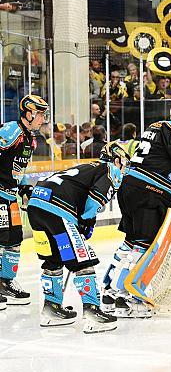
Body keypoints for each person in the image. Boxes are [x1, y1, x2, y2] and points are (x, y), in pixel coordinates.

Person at [102, 100, 171, 317]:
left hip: (130, 186)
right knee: (145, 245)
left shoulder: (154, 127)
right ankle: (127, 296)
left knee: (130, 242)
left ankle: (109, 291)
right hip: (150, 191)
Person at [27, 142, 129, 332]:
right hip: (58, 208)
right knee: (83, 259)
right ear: (116, 159)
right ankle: (92, 313)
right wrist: (86, 222)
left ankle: (51, 309)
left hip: (36, 205)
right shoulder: (110, 169)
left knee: (54, 258)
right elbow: (96, 198)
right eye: (122, 163)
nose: (123, 168)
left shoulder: (86, 167)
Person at [0, 95, 49, 307]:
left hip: (11, 195)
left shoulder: (31, 139)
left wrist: (25, 186)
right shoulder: (12, 131)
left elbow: (16, 169)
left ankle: (6, 282)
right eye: (40, 114)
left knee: (14, 239)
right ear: (28, 113)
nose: (43, 119)